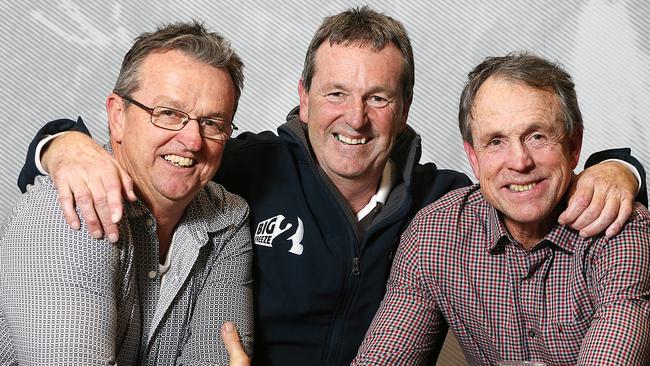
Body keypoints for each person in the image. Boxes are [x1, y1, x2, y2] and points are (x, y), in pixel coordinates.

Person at [16, 7, 647, 366]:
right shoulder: (240, 170)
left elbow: (532, 175)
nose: (354, 118)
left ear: (404, 109)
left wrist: (624, 168)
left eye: (378, 97)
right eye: (336, 94)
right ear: (303, 98)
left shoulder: (442, 205)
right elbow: (158, 152)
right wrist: (58, 143)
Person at [353, 52, 650, 365]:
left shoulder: (619, 228)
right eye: (496, 141)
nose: (520, 161)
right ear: (473, 157)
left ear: (574, 146)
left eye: (537, 136)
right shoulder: (435, 234)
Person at [0, 22, 253, 365]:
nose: (193, 141)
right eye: (168, 113)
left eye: (212, 123)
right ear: (118, 116)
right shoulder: (71, 203)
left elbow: (216, 359)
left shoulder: (228, 219)